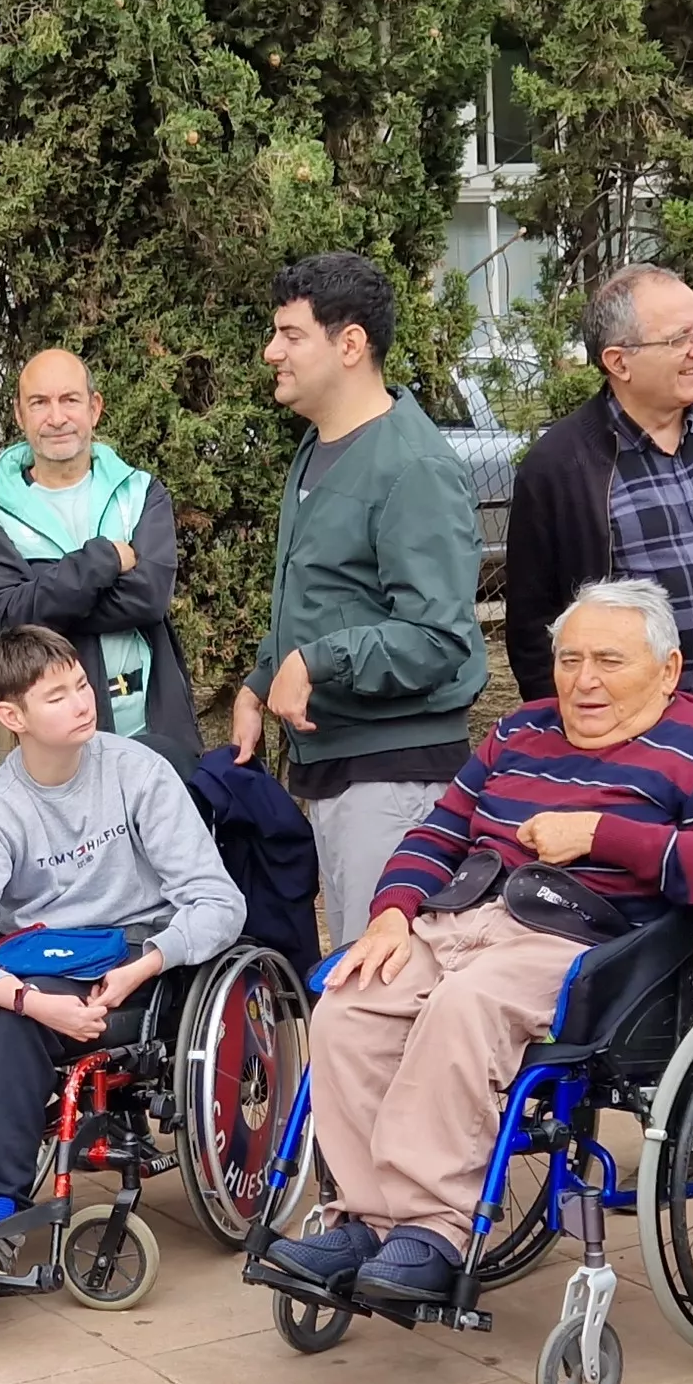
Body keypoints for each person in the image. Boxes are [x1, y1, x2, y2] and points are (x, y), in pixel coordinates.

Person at [263, 580, 693, 1305]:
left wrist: (600, 835)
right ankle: (366, 1217)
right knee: (349, 1002)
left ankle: (433, 1229)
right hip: (457, 918)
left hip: (588, 938)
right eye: (569, 660)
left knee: (463, 1007)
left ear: (667, 669)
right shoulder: (517, 732)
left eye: (608, 660)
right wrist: (390, 913)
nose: (583, 680)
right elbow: (437, 832)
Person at [0, 626, 245, 1272]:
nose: (82, 702)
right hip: (32, 967)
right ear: (13, 717)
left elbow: (219, 903)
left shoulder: (137, 774)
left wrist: (148, 963)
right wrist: (26, 997)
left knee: (13, 1030)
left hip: (129, 959)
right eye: (57, 695)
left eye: (82, 685)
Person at [233, 250, 488, 948]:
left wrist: (316, 662)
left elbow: (440, 639)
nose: (270, 352)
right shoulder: (317, 448)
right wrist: (260, 684)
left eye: (290, 335)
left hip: (393, 783)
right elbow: (324, 593)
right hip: (332, 772)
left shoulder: (415, 467)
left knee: (376, 999)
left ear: (350, 344)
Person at [504, 264, 693, 729]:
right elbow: (532, 633)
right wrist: (581, 741)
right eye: (679, 338)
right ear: (619, 362)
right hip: (637, 738)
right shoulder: (559, 468)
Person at [0, 347, 199, 773]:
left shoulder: (139, 492)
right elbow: (6, 618)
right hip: (60, 753)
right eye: (40, 402)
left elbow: (148, 598)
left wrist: (45, 602)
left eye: (69, 400)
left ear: (94, 407)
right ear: (19, 414)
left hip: (158, 734)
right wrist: (104, 560)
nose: (56, 417)